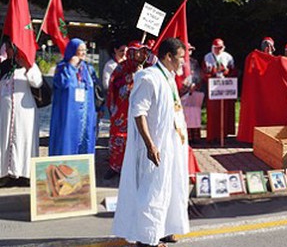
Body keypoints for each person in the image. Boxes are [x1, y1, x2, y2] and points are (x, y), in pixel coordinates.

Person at [112, 37, 189, 246]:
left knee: (171, 187)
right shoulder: (149, 78)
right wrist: (150, 145)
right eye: (181, 57)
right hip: (155, 146)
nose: (184, 61)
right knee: (153, 191)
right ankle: (147, 238)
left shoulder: (169, 78)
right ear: (168, 56)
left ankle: (164, 229)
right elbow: (139, 112)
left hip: (172, 145)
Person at [104, 41, 151, 179]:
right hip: (123, 110)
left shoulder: (148, 67)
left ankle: (137, 168)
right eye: (136, 51)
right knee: (119, 137)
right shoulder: (122, 67)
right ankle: (115, 166)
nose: (139, 54)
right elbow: (114, 84)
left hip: (141, 109)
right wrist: (129, 78)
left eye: (142, 51)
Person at [0, 39, 43, 187]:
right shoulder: (3, 67)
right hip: (5, 113)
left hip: (25, 113)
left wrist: (27, 66)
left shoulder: (29, 65)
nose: (9, 51)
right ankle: (4, 173)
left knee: (24, 140)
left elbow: (37, 82)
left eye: (11, 48)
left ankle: (26, 174)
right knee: (4, 140)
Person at [49, 38, 98, 156]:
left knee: (85, 141)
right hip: (68, 114)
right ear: (72, 51)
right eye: (80, 50)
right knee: (67, 141)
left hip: (85, 113)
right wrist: (71, 66)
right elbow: (62, 83)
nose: (83, 53)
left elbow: (95, 87)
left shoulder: (87, 68)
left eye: (84, 50)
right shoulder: (63, 67)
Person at [202, 38, 236, 144]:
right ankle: (212, 136)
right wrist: (213, 73)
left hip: (224, 89)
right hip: (213, 89)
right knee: (213, 113)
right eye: (216, 48)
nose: (218, 50)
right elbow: (204, 73)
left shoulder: (228, 57)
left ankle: (223, 134)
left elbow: (233, 71)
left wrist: (227, 72)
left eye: (220, 48)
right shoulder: (207, 58)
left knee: (224, 111)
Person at [180, 43, 204, 144]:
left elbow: (199, 74)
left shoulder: (194, 62)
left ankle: (195, 136)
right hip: (183, 91)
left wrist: (195, 85)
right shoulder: (179, 62)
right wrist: (185, 87)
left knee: (195, 114)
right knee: (184, 114)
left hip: (194, 90)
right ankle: (186, 136)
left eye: (190, 50)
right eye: (187, 50)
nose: (189, 52)